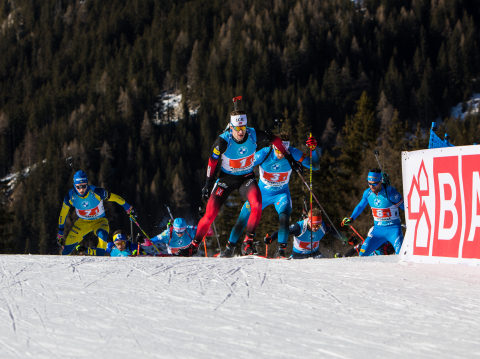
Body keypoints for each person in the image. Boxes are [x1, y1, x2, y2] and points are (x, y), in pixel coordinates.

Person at [177, 109, 301, 257]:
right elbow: (212, 162)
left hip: (246, 178)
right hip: (226, 179)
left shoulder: (253, 134)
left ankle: (247, 242)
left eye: (243, 128)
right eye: (237, 129)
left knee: (257, 204)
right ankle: (194, 246)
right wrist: (208, 183)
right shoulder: (222, 142)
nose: (241, 132)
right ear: (231, 127)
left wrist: (291, 159)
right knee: (210, 214)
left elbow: (276, 140)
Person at [222, 131, 319, 258]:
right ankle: (229, 248)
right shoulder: (264, 153)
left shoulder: (293, 153)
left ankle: (280, 251)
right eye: (278, 150)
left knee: (284, 217)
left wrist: (314, 150)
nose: (281, 154)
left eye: (283, 151)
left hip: (281, 194)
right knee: (242, 219)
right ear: (274, 146)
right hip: (261, 193)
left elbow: (315, 166)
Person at [57, 170, 135, 256]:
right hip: (82, 223)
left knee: (103, 235)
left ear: (87, 184)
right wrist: (60, 232)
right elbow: (63, 214)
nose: (81, 189)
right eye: (78, 187)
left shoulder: (97, 192)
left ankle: (99, 264)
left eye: (84, 186)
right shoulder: (70, 196)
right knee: (67, 249)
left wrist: (128, 207)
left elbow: (115, 197)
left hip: (99, 221)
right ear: (74, 185)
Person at [341, 168, 404, 256]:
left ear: (381, 181)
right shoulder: (368, 193)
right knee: (362, 254)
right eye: (369, 183)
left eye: (375, 183)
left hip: (393, 230)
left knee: (401, 256)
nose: (372, 186)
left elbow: (406, 208)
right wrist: (352, 217)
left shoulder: (391, 193)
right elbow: (360, 206)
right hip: (378, 230)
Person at [264, 207, 331, 259]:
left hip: (315, 254)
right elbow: (283, 231)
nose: (317, 228)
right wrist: (271, 238)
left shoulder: (323, 226)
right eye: (314, 225)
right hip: (298, 255)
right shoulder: (298, 227)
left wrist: (341, 238)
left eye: (318, 225)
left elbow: (335, 232)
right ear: (309, 221)